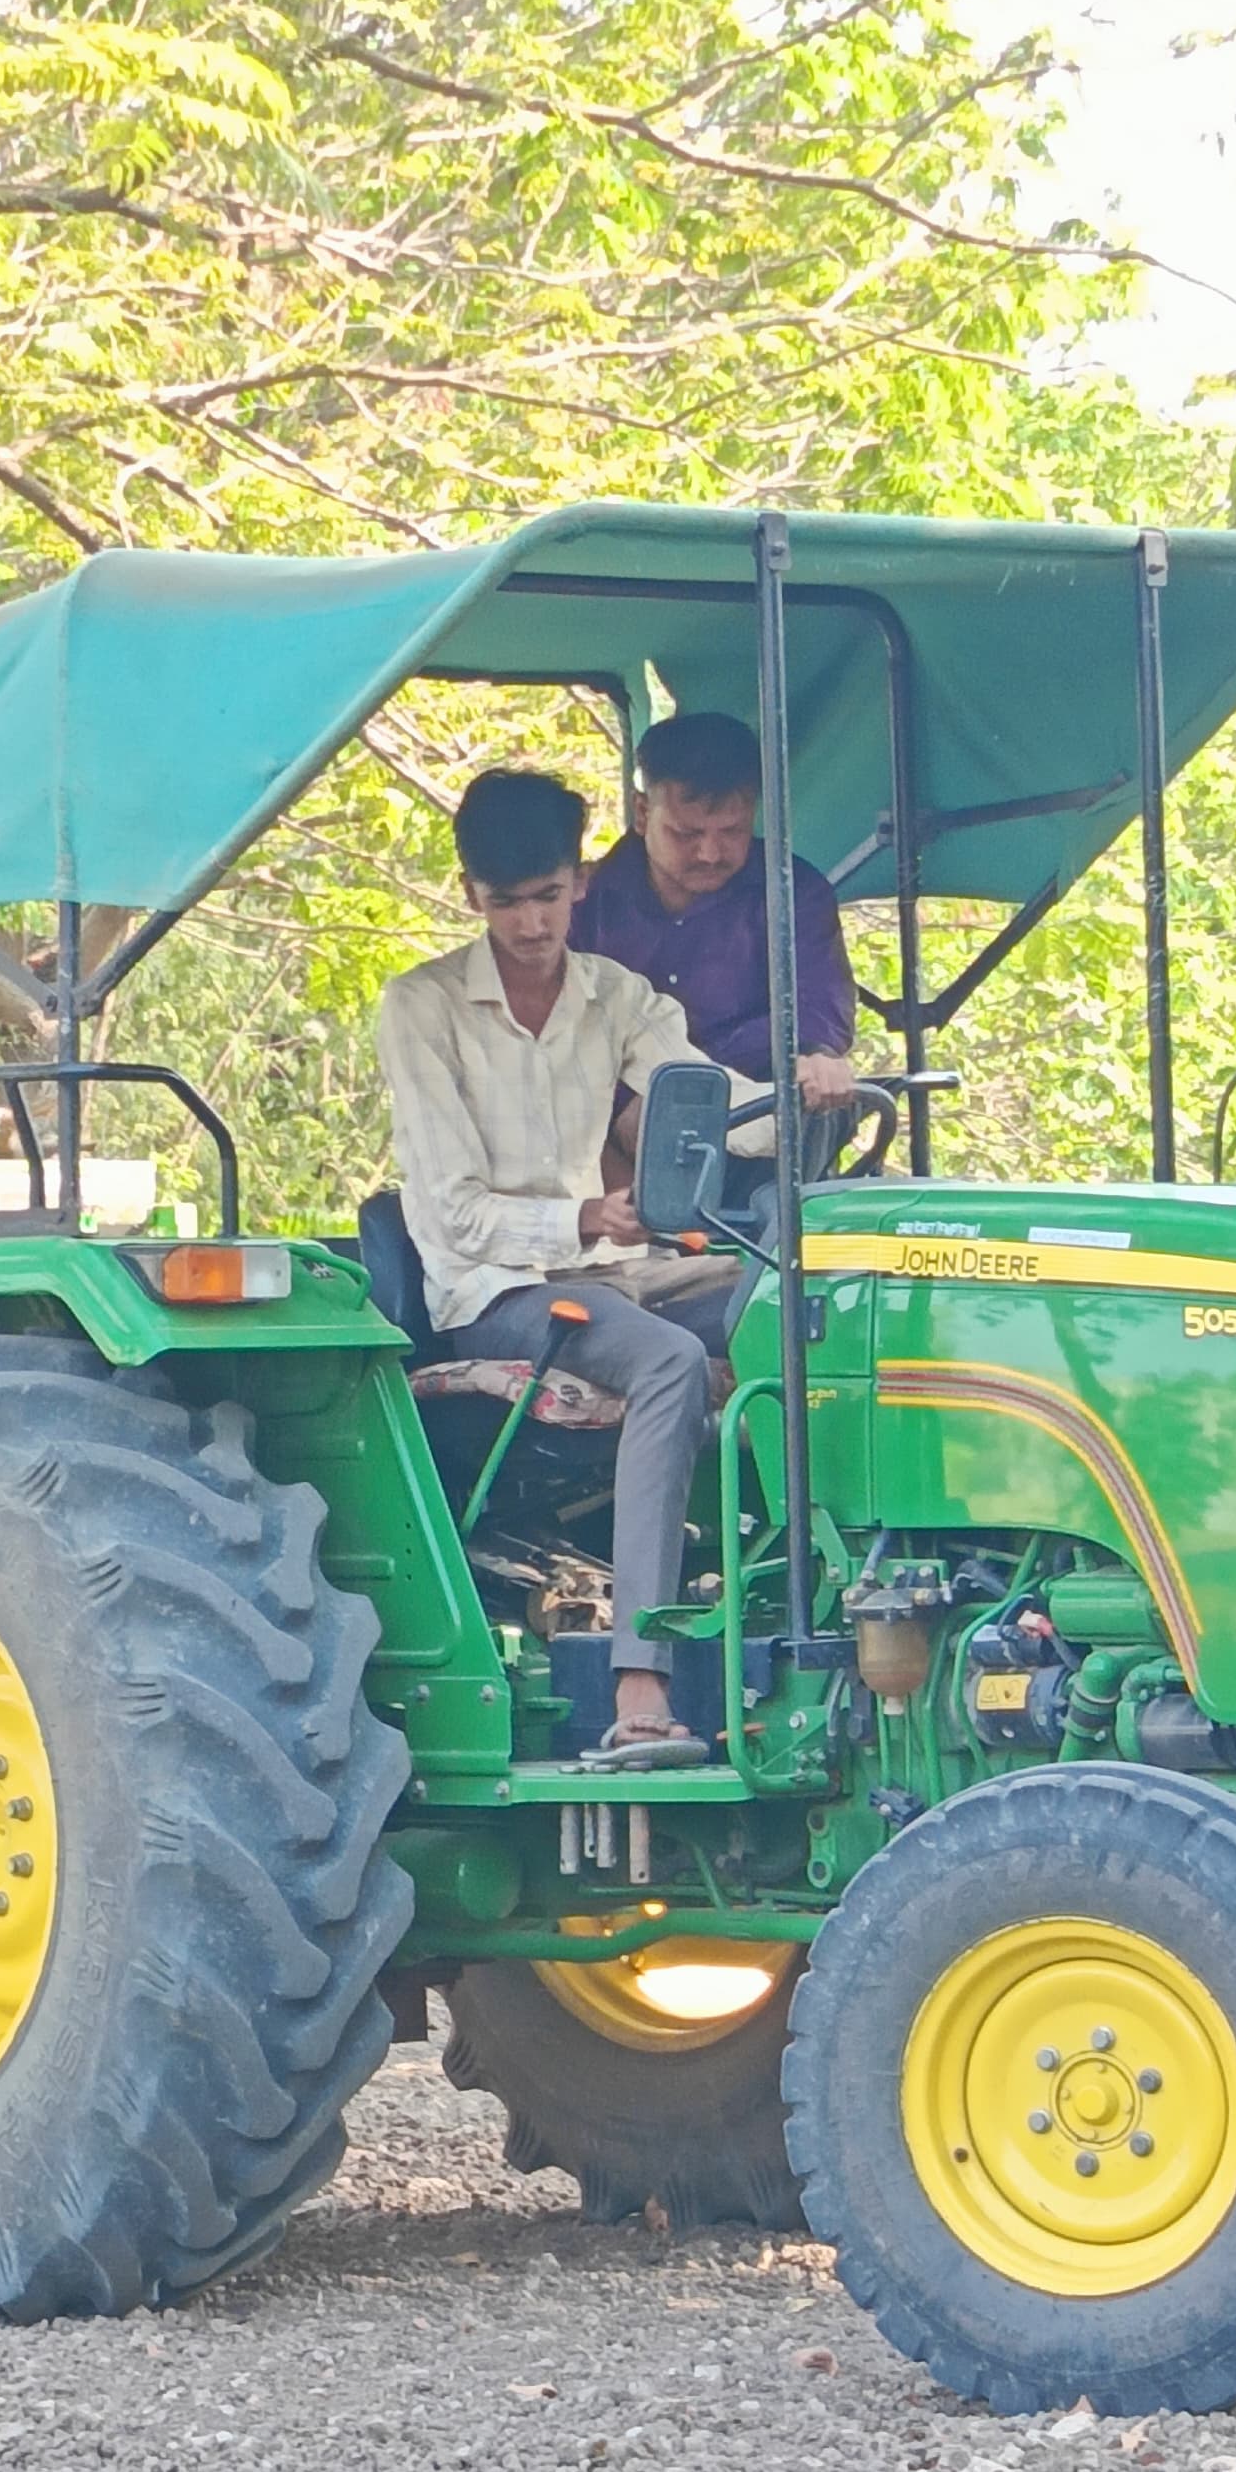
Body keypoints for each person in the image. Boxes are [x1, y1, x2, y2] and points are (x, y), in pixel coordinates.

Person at [374, 767, 746, 1770]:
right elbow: (451, 1212)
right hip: (493, 1289)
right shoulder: (423, 1007)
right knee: (668, 1359)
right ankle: (641, 1682)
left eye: (546, 896)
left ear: (579, 883)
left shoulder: (616, 996)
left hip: (608, 1271)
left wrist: (808, 1095)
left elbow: (709, 1099)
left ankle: (788, 1609)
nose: (531, 924)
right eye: (506, 902)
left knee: (799, 1300)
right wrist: (583, 1215)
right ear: (471, 895)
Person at [570, 706, 867, 1116]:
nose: (710, 854)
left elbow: (818, 1004)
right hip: (623, 1109)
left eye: (732, 831)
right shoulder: (584, 902)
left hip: (765, 1102)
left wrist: (816, 1056)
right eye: (686, 833)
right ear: (642, 813)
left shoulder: (792, 892)